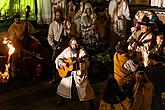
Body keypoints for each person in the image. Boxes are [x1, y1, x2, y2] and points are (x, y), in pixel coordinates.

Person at [55, 37, 95, 107]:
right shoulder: (67, 50)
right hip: (68, 74)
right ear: (70, 44)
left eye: (76, 44)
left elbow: (86, 63)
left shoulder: (82, 51)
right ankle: (62, 99)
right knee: (64, 86)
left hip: (79, 73)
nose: (75, 46)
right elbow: (58, 58)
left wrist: (82, 61)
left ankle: (90, 101)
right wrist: (62, 63)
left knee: (85, 86)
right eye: (73, 44)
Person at [99, 41, 138, 110]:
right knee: (127, 96)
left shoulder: (115, 55)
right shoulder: (128, 61)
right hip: (126, 81)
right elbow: (135, 69)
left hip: (117, 79)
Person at [7, 12, 35, 79]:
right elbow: (12, 38)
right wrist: (19, 39)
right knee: (15, 58)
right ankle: (13, 73)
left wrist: (28, 34)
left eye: (18, 18)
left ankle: (29, 71)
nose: (17, 20)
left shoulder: (25, 23)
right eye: (16, 19)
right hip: (16, 44)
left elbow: (31, 30)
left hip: (26, 44)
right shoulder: (12, 28)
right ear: (14, 20)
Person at [47, 7, 69, 84]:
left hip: (63, 44)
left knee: (65, 60)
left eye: (59, 15)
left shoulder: (64, 24)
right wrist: (52, 44)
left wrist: (66, 28)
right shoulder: (52, 25)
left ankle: (64, 76)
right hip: (56, 44)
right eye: (57, 15)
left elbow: (67, 34)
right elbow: (49, 36)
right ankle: (54, 77)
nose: (58, 17)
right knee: (54, 60)